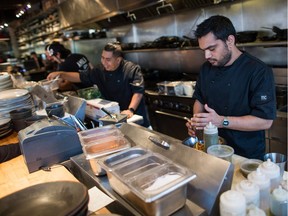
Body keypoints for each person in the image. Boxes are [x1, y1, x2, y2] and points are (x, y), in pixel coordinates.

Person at [186, 15, 276, 159]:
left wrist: (222, 121)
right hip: (212, 151)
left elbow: (265, 121)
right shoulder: (206, 68)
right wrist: (198, 121)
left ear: (230, 41)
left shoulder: (258, 71)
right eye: (203, 50)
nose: (207, 56)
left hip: (245, 156)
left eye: (212, 48)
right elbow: (199, 99)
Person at [47, 43, 151, 128]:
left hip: (134, 118)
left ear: (118, 60)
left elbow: (138, 92)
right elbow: (80, 77)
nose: (104, 62)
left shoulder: (131, 69)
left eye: (108, 59)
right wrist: (61, 74)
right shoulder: (99, 70)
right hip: (114, 117)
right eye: (102, 58)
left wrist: (130, 109)